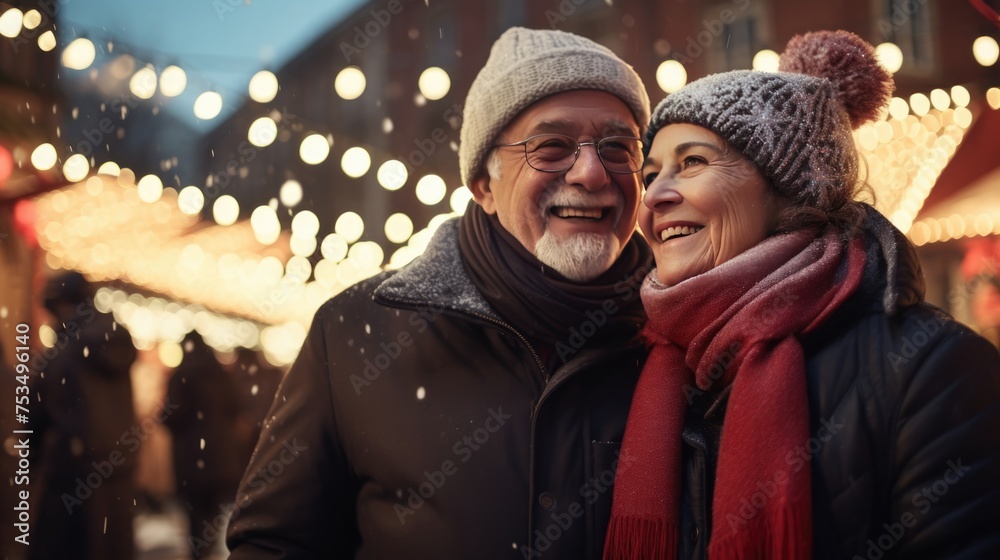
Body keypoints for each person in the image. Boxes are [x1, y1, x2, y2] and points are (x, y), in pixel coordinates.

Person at [227, 27, 652, 559]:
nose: (592, 173)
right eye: (551, 147)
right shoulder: (356, 333)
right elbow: (274, 545)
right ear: (482, 184)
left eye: (618, 146)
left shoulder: (684, 333)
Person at [603, 30, 1000, 560]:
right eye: (651, 173)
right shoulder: (641, 366)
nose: (653, 195)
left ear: (789, 188)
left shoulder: (933, 368)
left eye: (693, 162)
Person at [29, 271, 138, 560]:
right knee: (112, 546)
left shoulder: (65, 350)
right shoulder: (116, 338)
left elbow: (38, 410)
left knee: (68, 547)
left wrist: (29, 456)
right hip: (118, 467)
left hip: (73, 472)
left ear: (61, 304)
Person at [162, 331, 244, 559]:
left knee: (195, 513)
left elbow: (173, 415)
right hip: (221, 457)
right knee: (214, 511)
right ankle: (208, 551)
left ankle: (200, 553)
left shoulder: (182, 375)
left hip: (192, 457)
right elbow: (236, 407)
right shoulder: (221, 374)